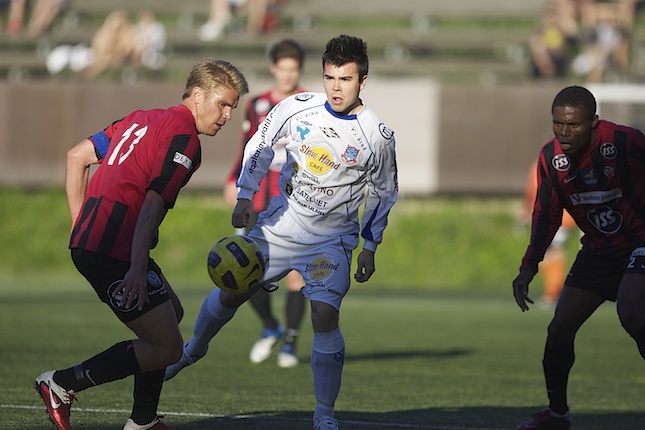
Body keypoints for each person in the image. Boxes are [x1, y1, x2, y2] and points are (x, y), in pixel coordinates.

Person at [165, 34, 398, 430]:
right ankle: (191, 350)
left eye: (345, 79)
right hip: (280, 226)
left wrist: (370, 246)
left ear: (363, 80)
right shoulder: (297, 108)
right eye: (329, 78)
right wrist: (245, 195)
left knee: (324, 316)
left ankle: (324, 415)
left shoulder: (377, 135)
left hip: (332, 241)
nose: (336, 87)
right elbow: (260, 143)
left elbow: (383, 192)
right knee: (233, 290)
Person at [33, 58, 248, 430]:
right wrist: (135, 268)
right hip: (113, 251)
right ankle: (61, 383)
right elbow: (151, 204)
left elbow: (77, 156)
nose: (227, 115)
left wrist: (80, 225)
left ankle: (144, 420)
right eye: (223, 104)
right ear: (197, 95)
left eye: (232, 107)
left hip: (101, 242)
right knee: (168, 347)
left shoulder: (140, 118)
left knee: (173, 314)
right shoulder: (185, 139)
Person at [512, 85, 645, 430]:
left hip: (640, 241)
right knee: (559, 329)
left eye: (573, 125)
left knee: (631, 311)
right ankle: (557, 415)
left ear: (594, 123)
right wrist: (528, 267)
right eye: (558, 124)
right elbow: (546, 215)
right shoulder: (550, 159)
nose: (564, 133)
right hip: (599, 251)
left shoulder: (625, 141)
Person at [223, 39, 307, 368]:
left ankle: (289, 344)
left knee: (295, 275)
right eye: (282, 68)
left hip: (296, 202)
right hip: (259, 199)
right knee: (249, 271)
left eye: (293, 69)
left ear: (299, 71)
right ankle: (271, 327)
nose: (287, 74)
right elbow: (248, 147)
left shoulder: (311, 105)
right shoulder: (257, 104)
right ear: (274, 68)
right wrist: (235, 179)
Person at [517, 160, 576, 305]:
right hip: (549, 215)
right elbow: (532, 191)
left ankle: (554, 292)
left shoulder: (539, 165)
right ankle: (554, 291)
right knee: (549, 253)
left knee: (553, 251)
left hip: (559, 216)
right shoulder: (539, 166)